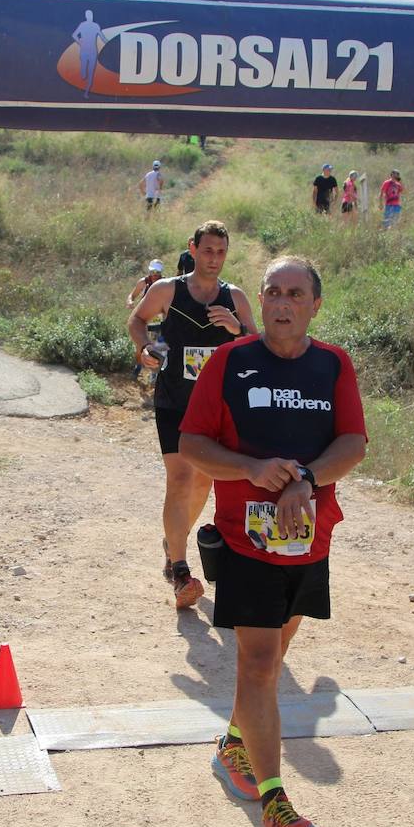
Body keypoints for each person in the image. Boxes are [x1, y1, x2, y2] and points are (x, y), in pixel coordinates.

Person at [179, 257, 367, 827]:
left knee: (277, 650)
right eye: (273, 292)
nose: (283, 302)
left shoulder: (333, 364)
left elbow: (353, 442)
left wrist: (306, 478)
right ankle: (275, 805)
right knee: (259, 664)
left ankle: (235, 744)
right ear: (258, 302)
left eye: (295, 293)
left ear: (315, 303)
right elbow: (192, 444)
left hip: (310, 537)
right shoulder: (230, 363)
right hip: (242, 539)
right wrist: (251, 469)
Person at [128, 220, 258, 608]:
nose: (214, 258)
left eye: (220, 252)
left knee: (204, 483)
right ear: (193, 248)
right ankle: (180, 570)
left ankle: (174, 539)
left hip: (217, 408)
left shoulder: (236, 297)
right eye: (207, 250)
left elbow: (256, 345)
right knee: (181, 477)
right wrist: (145, 349)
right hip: (174, 401)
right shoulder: (169, 289)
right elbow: (137, 319)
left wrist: (236, 328)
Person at [71, 9, 106, 98]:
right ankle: (81, 82)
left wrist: (111, 43)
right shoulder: (82, 25)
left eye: (91, 15)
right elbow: (74, 35)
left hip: (93, 52)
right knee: (83, 75)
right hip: (84, 51)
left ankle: (86, 93)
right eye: (89, 15)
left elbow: (102, 37)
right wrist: (80, 42)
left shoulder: (96, 26)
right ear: (87, 16)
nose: (90, 16)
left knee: (91, 73)